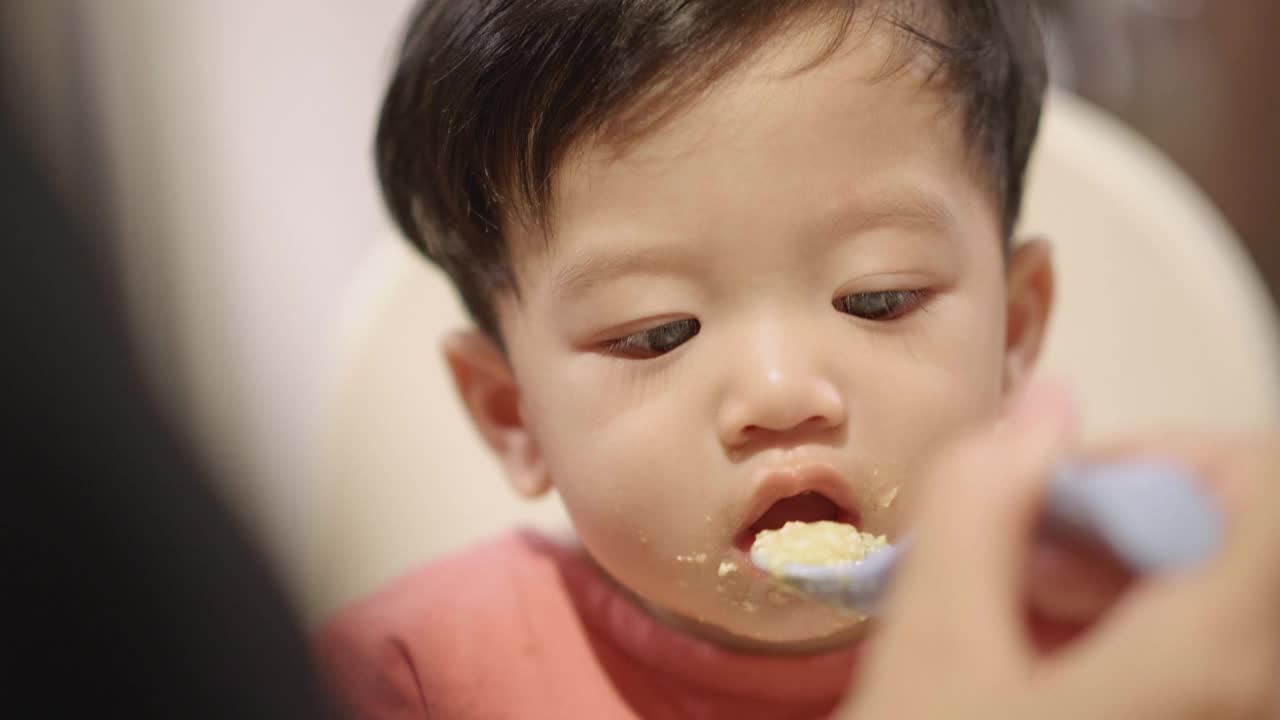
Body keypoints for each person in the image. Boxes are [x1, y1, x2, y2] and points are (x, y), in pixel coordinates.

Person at [316, 1, 1279, 717]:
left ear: (1014, 335)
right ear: (512, 414)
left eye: (879, 300)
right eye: (655, 334)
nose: (780, 395)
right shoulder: (410, 681)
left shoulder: (1138, 655)